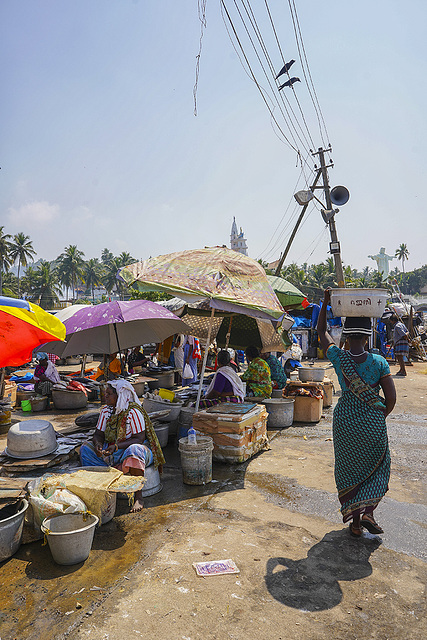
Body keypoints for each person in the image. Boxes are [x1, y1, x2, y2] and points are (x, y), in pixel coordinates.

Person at [317, 289, 396, 538]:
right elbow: (391, 399)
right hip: (372, 421)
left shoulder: (339, 358)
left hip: (345, 423)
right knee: (378, 466)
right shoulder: (379, 362)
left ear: (347, 336)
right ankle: (369, 513)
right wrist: (378, 416)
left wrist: (326, 303)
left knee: (350, 470)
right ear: (367, 335)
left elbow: (321, 333)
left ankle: (355, 522)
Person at [79, 379, 165, 512]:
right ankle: (103, 487)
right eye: (105, 393)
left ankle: (138, 496)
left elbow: (139, 438)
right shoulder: (106, 411)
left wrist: (117, 446)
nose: (105, 396)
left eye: (109, 393)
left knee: (134, 450)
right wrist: (98, 445)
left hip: (137, 451)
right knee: (85, 449)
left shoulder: (133, 412)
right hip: (113, 451)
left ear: (120, 395)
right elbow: (98, 434)